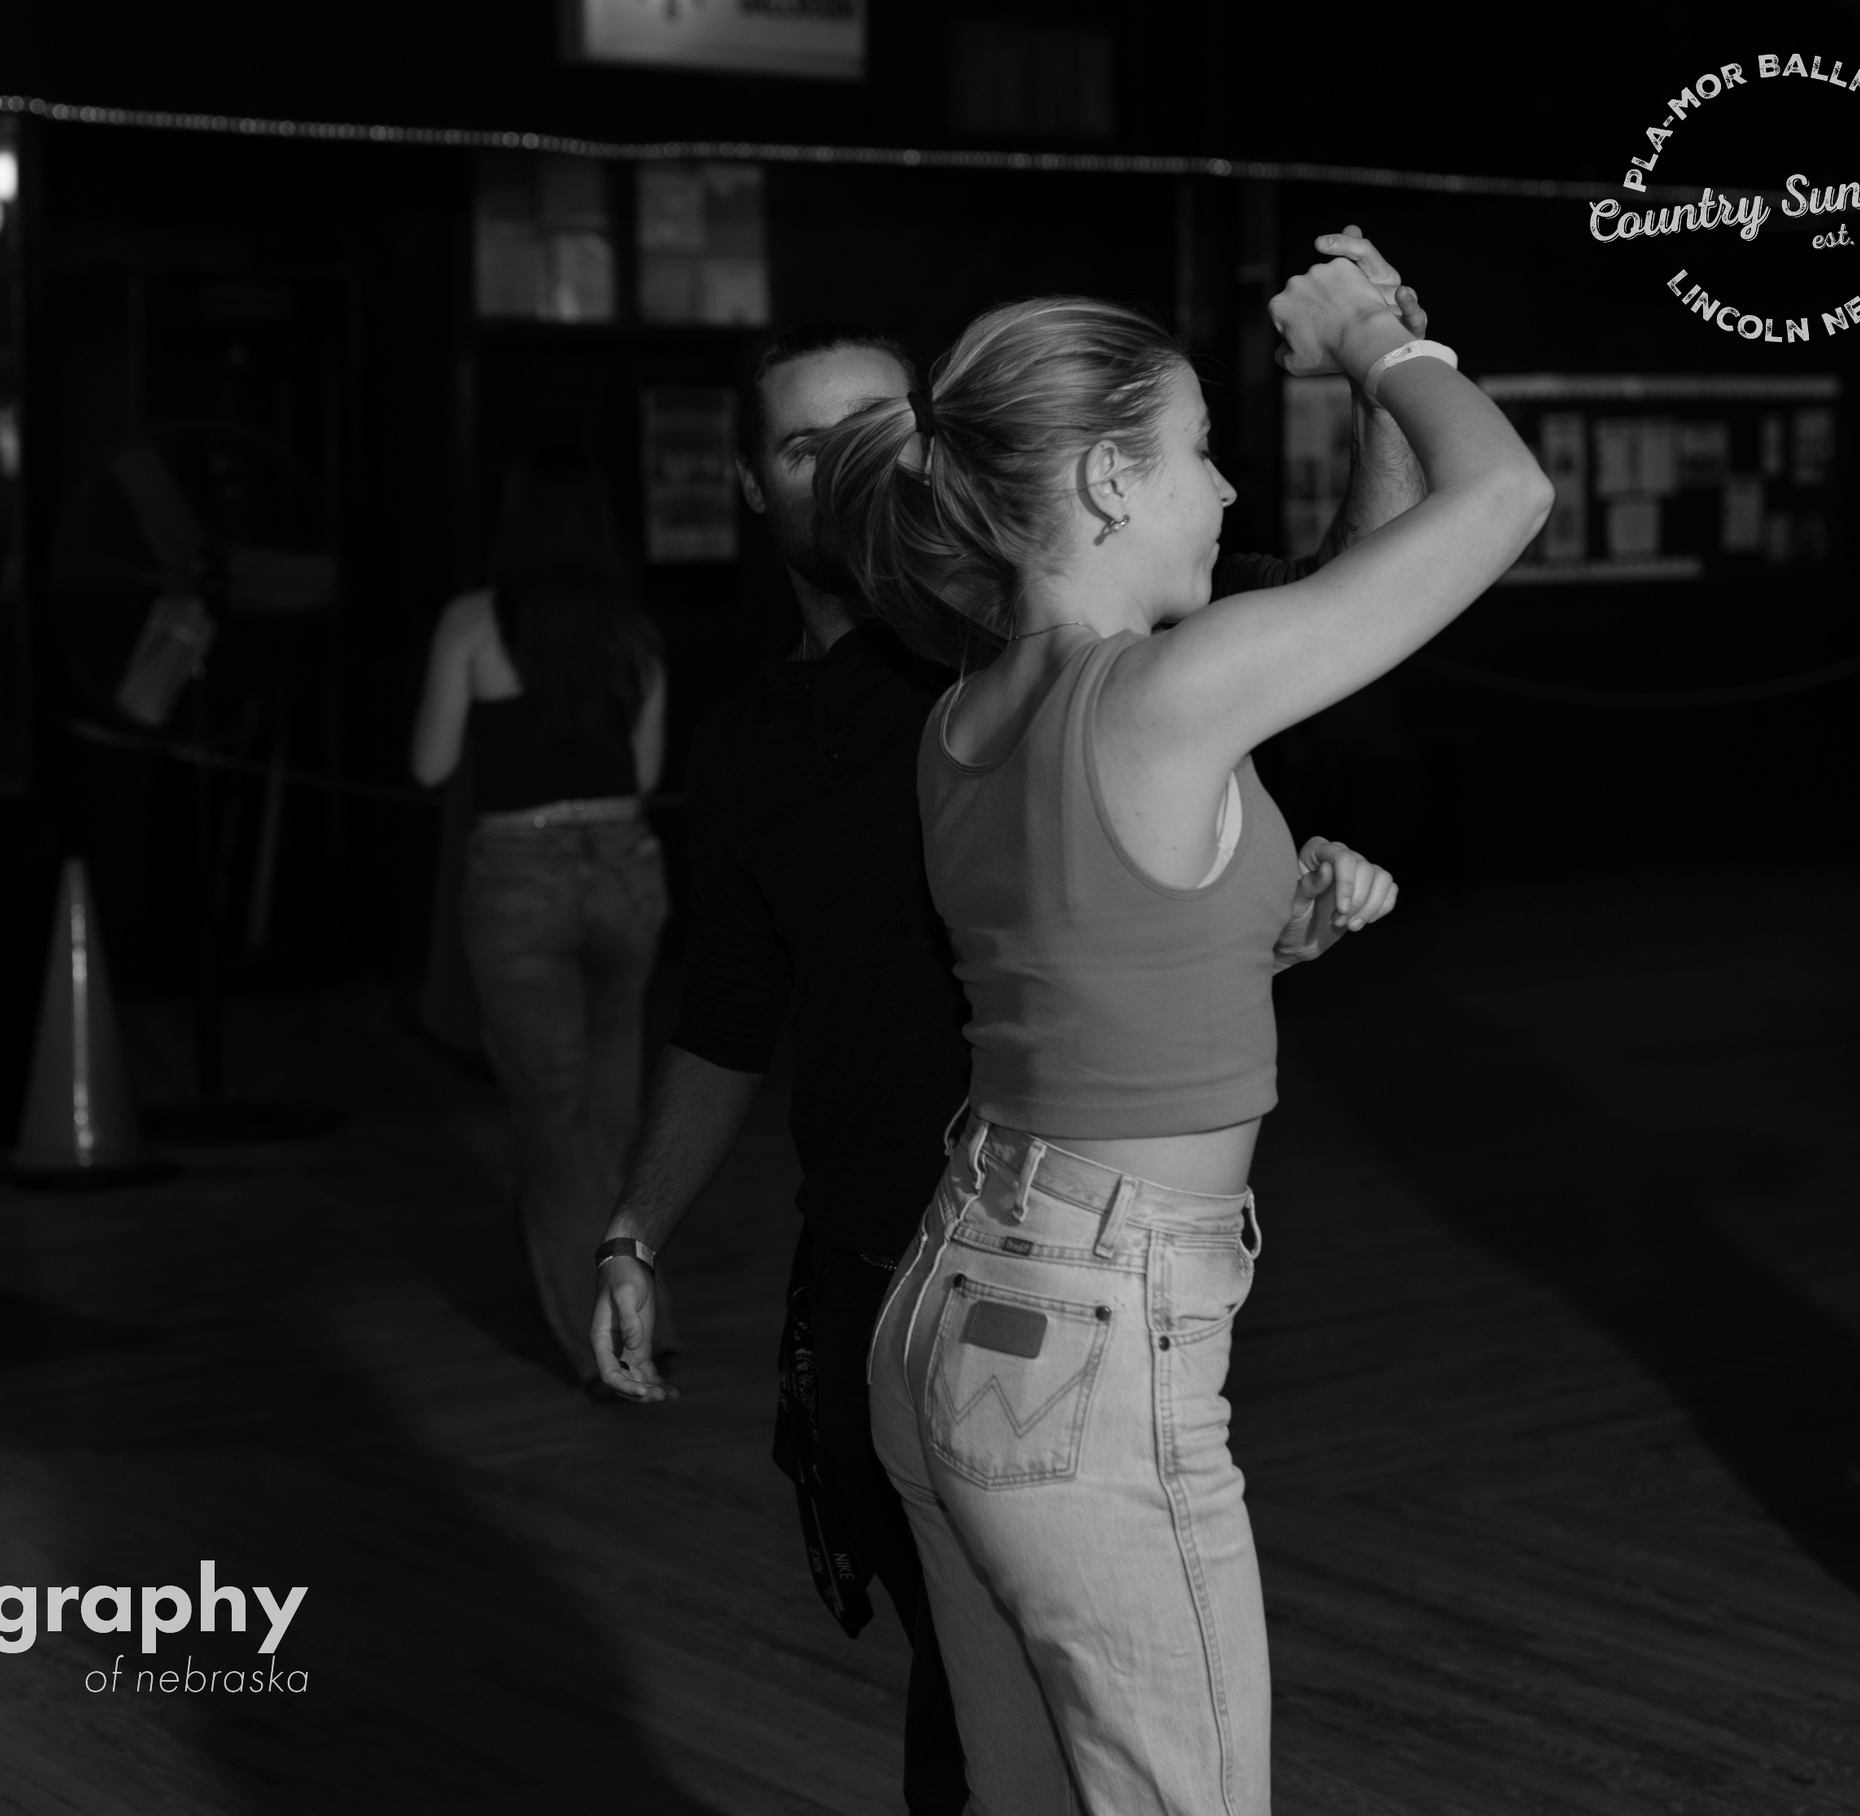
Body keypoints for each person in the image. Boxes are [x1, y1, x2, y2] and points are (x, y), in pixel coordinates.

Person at [586, 278, 1435, 1813]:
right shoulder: (785, 736)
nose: (855, 457)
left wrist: (1259, 920)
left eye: (881, 420)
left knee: (1005, 1757)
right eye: (806, 443)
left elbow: (1337, 593)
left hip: (1020, 1267)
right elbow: (726, 1018)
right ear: (752, 482)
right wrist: (636, 1224)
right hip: (916, 1274)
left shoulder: (1015, 661)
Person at [811, 235, 1546, 1809]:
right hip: (1088, 1340)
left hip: (956, 1301)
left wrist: (1261, 932)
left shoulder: (965, 717)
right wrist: (1378, 346)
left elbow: (1092, 971)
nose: (1223, 488)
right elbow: (1504, 498)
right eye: (1200, 451)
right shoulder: (1154, 698)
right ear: (1105, 480)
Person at [411, 454, 671, 1385]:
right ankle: (639, 1315)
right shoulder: (634, 630)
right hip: (627, 867)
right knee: (612, 1110)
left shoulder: (472, 621)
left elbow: (429, 763)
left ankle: (608, 1344)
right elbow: (645, 774)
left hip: (520, 876)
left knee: (555, 1115)